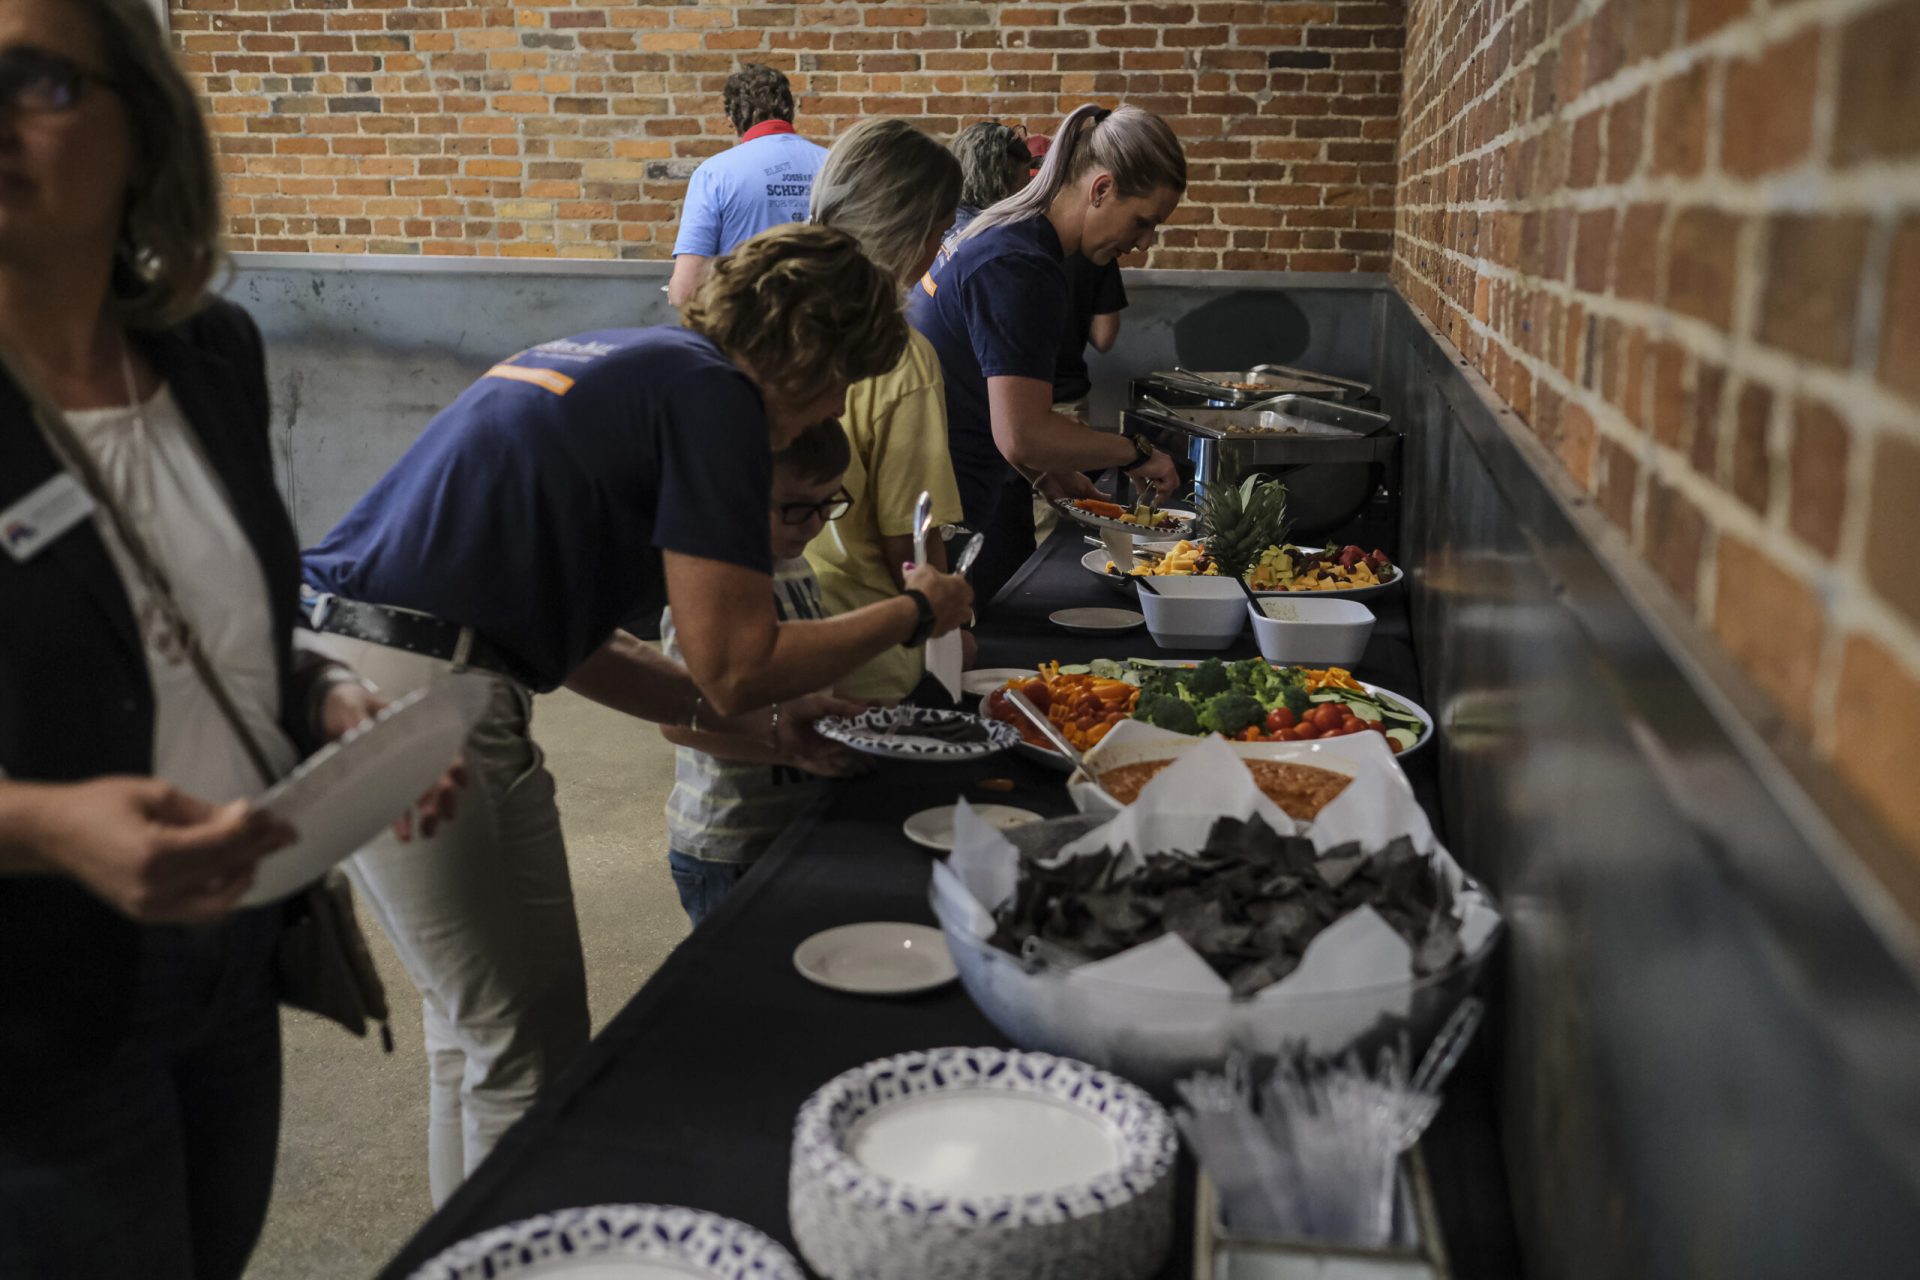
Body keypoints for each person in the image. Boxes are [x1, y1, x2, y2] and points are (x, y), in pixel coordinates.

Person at [300, 222, 975, 1202]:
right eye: (842, 379)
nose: (837, 406)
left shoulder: (639, 362)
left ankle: (473, 1248)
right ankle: (521, 1253)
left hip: (357, 658)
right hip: (423, 686)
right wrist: (916, 611)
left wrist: (772, 729)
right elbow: (735, 663)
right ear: (809, 353)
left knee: (480, 1031)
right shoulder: (716, 398)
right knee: (526, 1047)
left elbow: (574, 645)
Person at [0, 2, 450, 1275]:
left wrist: (328, 697)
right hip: (40, 1008)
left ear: (143, 129)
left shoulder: (209, 355)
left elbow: (224, 622)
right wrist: (49, 825)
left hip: (239, 948)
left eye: (35, 80)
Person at [908, 104, 1187, 602]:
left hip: (932, 495)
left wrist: (1050, 473)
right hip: (942, 509)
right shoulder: (1021, 265)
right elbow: (1023, 434)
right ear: (1101, 189)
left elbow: (981, 391)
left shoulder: (1004, 233)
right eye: (1143, 222)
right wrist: (1137, 452)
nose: (1144, 243)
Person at [660, 420, 864, 925]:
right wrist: (784, 743)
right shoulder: (712, 584)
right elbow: (680, 719)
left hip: (789, 818)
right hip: (730, 840)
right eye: (796, 507)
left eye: (829, 503)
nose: (814, 524)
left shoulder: (796, 567)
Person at [804, 118, 971, 703]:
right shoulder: (899, 354)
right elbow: (912, 544)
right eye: (940, 234)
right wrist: (950, 626)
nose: (939, 251)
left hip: (775, 643)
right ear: (909, 232)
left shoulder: (772, 317)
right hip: (872, 658)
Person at [666, 63, 828, 307]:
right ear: (789, 111)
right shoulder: (833, 164)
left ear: (732, 120)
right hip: (822, 320)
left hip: (744, 321)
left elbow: (685, 291)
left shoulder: (715, 173)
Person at [947, 119, 1029, 242]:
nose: (1029, 188)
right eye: (1026, 178)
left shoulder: (944, 220)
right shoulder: (996, 239)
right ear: (998, 182)